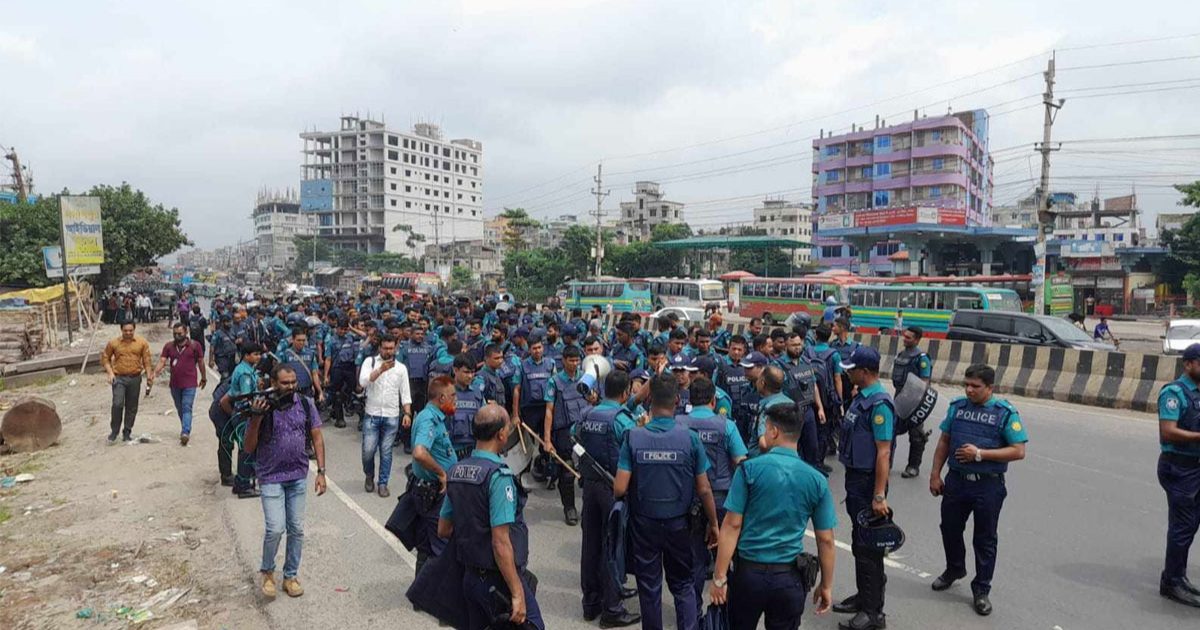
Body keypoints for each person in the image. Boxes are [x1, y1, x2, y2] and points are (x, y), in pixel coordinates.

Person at [710, 403, 837, 630]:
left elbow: (731, 525)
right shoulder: (817, 480)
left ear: (774, 431)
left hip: (748, 576)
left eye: (765, 428)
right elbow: (826, 539)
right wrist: (826, 585)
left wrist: (719, 578)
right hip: (789, 579)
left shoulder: (749, 470)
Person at [614, 374, 719, 630]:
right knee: (683, 586)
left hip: (644, 525)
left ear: (649, 399)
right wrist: (714, 524)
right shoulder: (691, 439)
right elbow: (704, 489)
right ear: (677, 400)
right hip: (679, 525)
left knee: (649, 589)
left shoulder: (633, 437)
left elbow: (619, 488)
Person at [929, 363, 1028, 616]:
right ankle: (954, 568)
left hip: (988, 486)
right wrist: (935, 474)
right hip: (956, 482)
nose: (970, 390)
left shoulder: (1004, 413)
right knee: (949, 528)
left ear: (990, 388)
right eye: (967, 385)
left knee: (984, 539)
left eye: (976, 386)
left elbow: (1018, 451)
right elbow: (944, 441)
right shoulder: (957, 408)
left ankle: (981, 589)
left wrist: (980, 454)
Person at [438, 404, 545, 630]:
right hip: (498, 580)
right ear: (501, 434)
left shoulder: (456, 471)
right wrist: (517, 592)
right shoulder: (498, 476)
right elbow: (500, 542)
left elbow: (444, 529)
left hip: (469, 578)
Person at [243, 364, 327, 600]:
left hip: (298, 476)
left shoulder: (305, 404)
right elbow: (249, 447)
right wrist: (257, 418)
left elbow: (317, 438)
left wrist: (321, 471)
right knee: (275, 528)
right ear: (273, 383)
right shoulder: (263, 406)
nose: (290, 387)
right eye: (284, 383)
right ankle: (268, 572)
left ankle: (290, 575)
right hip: (270, 477)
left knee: (297, 529)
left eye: (293, 382)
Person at [573, 370, 641, 627]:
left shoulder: (587, 414)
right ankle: (612, 608)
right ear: (625, 393)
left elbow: (574, 439)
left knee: (590, 545)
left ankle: (590, 603)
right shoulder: (622, 419)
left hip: (590, 487)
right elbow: (635, 447)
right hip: (614, 489)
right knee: (613, 547)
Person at [833, 346, 894, 630]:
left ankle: (873, 614)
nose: (847, 373)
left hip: (869, 483)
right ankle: (864, 597)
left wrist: (879, 494)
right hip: (856, 480)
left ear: (866, 372)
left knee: (869, 548)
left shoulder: (879, 405)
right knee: (860, 544)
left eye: (852, 369)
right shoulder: (862, 399)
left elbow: (884, 452)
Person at [679, 377, 747, 612]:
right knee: (725, 558)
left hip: (686, 500)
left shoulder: (678, 423)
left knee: (693, 559)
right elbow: (741, 462)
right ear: (713, 399)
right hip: (722, 500)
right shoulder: (726, 425)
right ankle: (723, 610)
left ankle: (692, 612)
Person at [1155, 343, 1200, 608]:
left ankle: (1179, 577)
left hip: (1195, 465)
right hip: (1179, 467)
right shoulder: (1174, 393)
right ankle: (1171, 582)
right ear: (1188, 364)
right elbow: (1168, 432)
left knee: (1191, 524)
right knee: (1182, 526)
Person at [408, 375, 458, 574]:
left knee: (427, 544)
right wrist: (441, 473)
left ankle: (420, 594)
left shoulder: (434, 416)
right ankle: (437, 596)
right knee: (441, 546)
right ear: (442, 399)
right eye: (453, 396)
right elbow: (420, 452)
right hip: (433, 492)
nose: (456, 400)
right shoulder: (429, 419)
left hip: (428, 491)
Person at [358, 335, 412, 498]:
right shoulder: (370, 362)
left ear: (396, 348)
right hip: (372, 414)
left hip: (392, 416)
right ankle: (369, 475)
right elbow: (362, 382)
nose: (388, 352)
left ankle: (383, 483)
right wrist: (380, 370)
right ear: (380, 347)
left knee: (386, 451)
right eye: (385, 348)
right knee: (368, 450)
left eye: (391, 348)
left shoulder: (401, 368)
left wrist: (407, 413)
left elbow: (405, 392)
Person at [544, 345, 589, 525]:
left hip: (584, 432)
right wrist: (547, 440)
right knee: (567, 472)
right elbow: (549, 411)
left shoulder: (585, 379)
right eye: (571, 360)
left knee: (588, 471)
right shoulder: (554, 382)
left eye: (577, 360)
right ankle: (569, 507)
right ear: (563, 360)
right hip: (564, 435)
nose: (574, 364)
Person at [221, 343, 266, 499]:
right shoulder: (245, 373)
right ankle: (244, 486)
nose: (258, 357)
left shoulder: (247, 369)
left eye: (259, 354)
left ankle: (240, 483)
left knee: (244, 448)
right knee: (246, 449)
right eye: (255, 354)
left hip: (239, 412)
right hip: (243, 414)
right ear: (246, 356)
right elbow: (247, 397)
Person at [153, 322, 208, 446]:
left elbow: (200, 362)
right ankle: (185, 426)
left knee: (187, 406)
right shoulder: (168, 346)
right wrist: (154, 373)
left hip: (190, 384)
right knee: (180, 408)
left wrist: (204, 377)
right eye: (175, 334)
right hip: (175, 384)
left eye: (180, 333)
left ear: (186, 332)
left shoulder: (195, 346)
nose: (177, 336)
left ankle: (185, 432)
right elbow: (162, 361)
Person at [101, 321, 154, 444]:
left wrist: (149, 375)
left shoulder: (142, 343)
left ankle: (127, 432)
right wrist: (110, 373)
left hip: (135, 378)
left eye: (130, 330)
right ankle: (114, 431)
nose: (128, 333)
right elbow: (105, 358)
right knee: (117, 404)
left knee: (131, 407)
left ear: (134, 330)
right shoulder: (113, 343)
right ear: (121, 330)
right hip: (119, 378)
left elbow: (147, 360)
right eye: (126, 330)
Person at [892, 326, 933, 479]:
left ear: (917, 340)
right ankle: (887, 462)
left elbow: (924, 382)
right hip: (898, 397)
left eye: (909, 337)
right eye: (905, 336)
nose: (905, 339)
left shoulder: (921, 358)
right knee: (891, 430)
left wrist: (916, 403)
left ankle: (913, 466)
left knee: (916, 435)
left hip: (914, 400)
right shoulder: (901, 355)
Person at [323, 319, 361, 428]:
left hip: (350, 368)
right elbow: (328, 359)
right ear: (337, 328)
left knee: (354, 391)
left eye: (345, 329)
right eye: (341, 329)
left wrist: (352, 329)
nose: (343, 332)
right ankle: (339, 418)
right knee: (337, 394)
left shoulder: (351, 337)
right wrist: (326, 376)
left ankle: (354, 412)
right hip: (337, 368)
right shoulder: (331, 340)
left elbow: (365, 336)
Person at [450, 354, 485, 460]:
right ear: (455, 370)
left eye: (472, 372)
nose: (470, 376)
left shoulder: (477, 394)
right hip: (451, 451)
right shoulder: (446, 392)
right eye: (466, 372)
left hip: (472, 451)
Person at [209, 315, 239, 383]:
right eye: (227, 322)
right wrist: (211, 360)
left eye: (230, 322)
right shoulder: (218, 333)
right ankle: (220, 392)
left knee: (232, 377)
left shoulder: (232, 331)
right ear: (222, 323)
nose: (229, 323)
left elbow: (234, 342)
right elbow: (212, 346)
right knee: (225, 377)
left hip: (232, 358)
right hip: (222, 358)